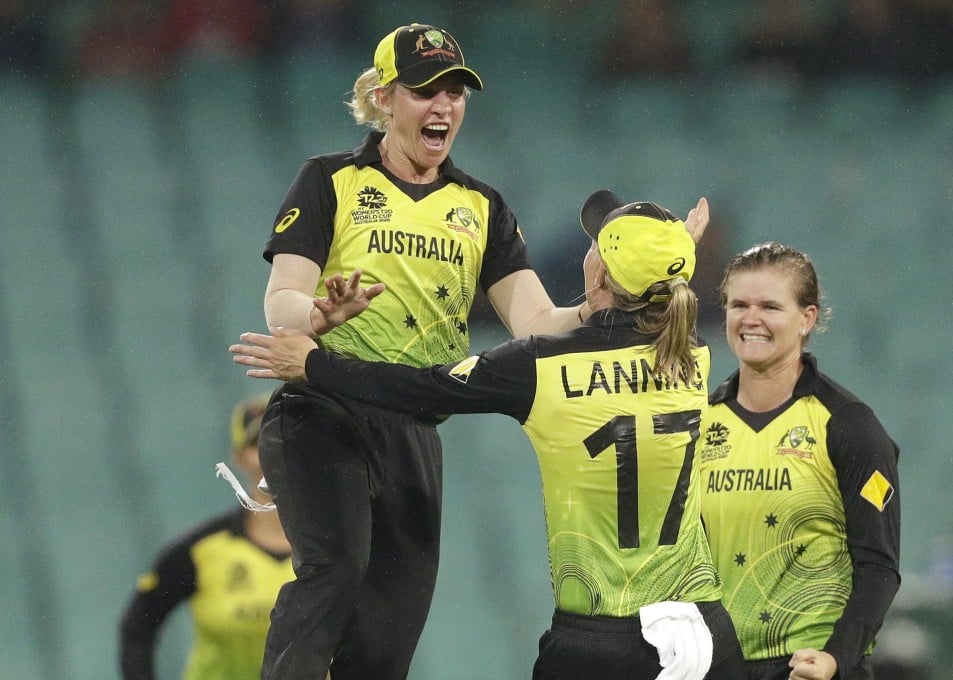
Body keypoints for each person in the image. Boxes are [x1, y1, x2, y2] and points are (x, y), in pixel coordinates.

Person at [250, 22, 688, 680]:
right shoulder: (329, 181)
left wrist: (600, 307)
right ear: (385, 97)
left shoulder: (481, 207)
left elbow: (535, 321)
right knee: (334, 570)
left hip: (414, 430)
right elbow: (281, 300)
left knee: (389, 635)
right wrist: (317, 312)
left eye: (456, 91)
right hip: (321, 410)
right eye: (427, 90)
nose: (445, 106)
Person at [230, 190, 750, 680]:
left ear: (598, 275)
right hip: (705, 634)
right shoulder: (693, 355)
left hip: (601, 641)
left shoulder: (542, 366)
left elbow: (422, 389)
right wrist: (670, 252)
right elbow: (654, 304)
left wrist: (316, 366)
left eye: (597, 245)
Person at [697, 241, 901, 680]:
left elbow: (878, 568)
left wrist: (834, 660)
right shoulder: (697, 425)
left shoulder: (850, 427)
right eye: (739, 305)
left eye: (770, 306)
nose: (751, 319)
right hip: (717, 668)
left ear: (807, 319)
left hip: (808, 669)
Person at [119, 393, 293, 680]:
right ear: (238, 458)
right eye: (258, 441)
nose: (275, 449)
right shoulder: (203, 551)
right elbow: (139, 623)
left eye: (288, 436)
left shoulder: (346, 547)